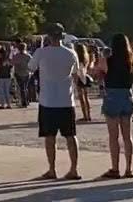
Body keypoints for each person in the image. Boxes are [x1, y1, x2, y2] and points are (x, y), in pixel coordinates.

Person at [31, 23, 81, 181]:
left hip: (48, 100)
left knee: (49, 137)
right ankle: (74, 169)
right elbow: (76, 72)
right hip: (66, 100)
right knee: (70, 136)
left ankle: (52, 169)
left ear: (48, 36)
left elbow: (31, 67)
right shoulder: (71, 53)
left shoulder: (41, 52)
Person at [101, 34, 133, 179]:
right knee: (127, 136)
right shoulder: (131, 60)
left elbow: (98, 72)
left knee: (113, 136)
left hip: (112, 95)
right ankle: (129, 168)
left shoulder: (108, 60)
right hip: (126, 95)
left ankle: (115, 168)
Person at [74, 44, 93, 122]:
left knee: (81, 98)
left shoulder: (78, 59)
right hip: (85, 77)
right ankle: (88, 115)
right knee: (86, 97)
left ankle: (85, 115)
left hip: (80, 78)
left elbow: (77, 70)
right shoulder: (86, 58)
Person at [12, 42, 32, 108]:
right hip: (26, 73)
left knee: (21, 88)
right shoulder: (28, 56)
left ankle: (24, 102)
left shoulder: (16, 56)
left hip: (18, 73)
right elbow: (32, 64)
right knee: (25, 88)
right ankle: (26, 100)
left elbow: (13, 63)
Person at [0, 45, 14, 110]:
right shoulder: (8, 60)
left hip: (0, 76)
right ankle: (9, 104)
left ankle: (2, 104)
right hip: (7, 76)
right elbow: (11, 66)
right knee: (7, 90)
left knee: (1, 90)